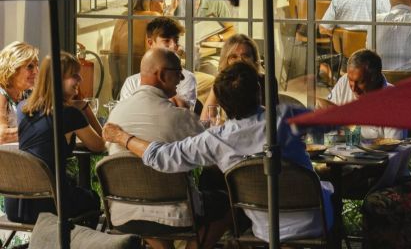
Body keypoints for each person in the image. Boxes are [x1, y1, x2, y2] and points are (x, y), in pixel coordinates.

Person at [103, 61, 332, 243]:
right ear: (258, 90)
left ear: (221, 103)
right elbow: (333, 121)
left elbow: (161, 156)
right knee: (330, 184)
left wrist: (122, 137)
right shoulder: (286, 118)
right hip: (316, 221)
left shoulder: (215, 139)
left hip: (265, 229)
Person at [106, 47, 227, 249]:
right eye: (178, 72)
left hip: (124, 214)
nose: (182, 78)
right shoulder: (178, 117)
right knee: (228, 204)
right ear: (162, 75)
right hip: (175, 215)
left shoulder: (116, 114)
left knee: (151, 217)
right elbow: (212, 155)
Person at [4, 52, 104, 226]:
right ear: (57, 79)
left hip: (16, 204)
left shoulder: (23, 108)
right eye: (74, 75)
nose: (80, 79)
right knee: (93, 198)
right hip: (52, 204)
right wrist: (85, 108)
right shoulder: (69, 114)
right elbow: (99, 145)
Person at [323, 49, 404, 141]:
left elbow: (394, 144)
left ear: (375, 78)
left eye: (360, 82)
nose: (353, 88)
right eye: (350, 80)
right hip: (341, 147)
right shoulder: (344, 81)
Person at [119, 16, 197, 109]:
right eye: (166, 41)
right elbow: (125, 113)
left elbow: (183, 113)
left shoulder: (187, 78)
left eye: (176, 40)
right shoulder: (131, 82)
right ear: (150, 43)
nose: (174, 46)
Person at [199, 34, 263, 125]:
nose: (240, 60)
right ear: (226, 60)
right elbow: (206, 120)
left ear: (254, 59)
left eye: (246, 56)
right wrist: (226, 126)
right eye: (233, 57)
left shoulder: (265, 81)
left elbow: (273, 118)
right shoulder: (222, 83)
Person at [109, 0, 164, 93]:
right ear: (148, 1)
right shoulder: (153, 17)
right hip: (142, 85)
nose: (164, 4)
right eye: (161, 0)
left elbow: (112, 55)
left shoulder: (124, 16)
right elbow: (155, 57)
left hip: (120, 86)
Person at [0, 41, 39, 143]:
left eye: (37, 66)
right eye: (30, 66)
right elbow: (2, 135)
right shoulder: (1, 94)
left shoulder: (26, 94)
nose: (36, 71)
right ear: (13, 69)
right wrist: (41, 130)